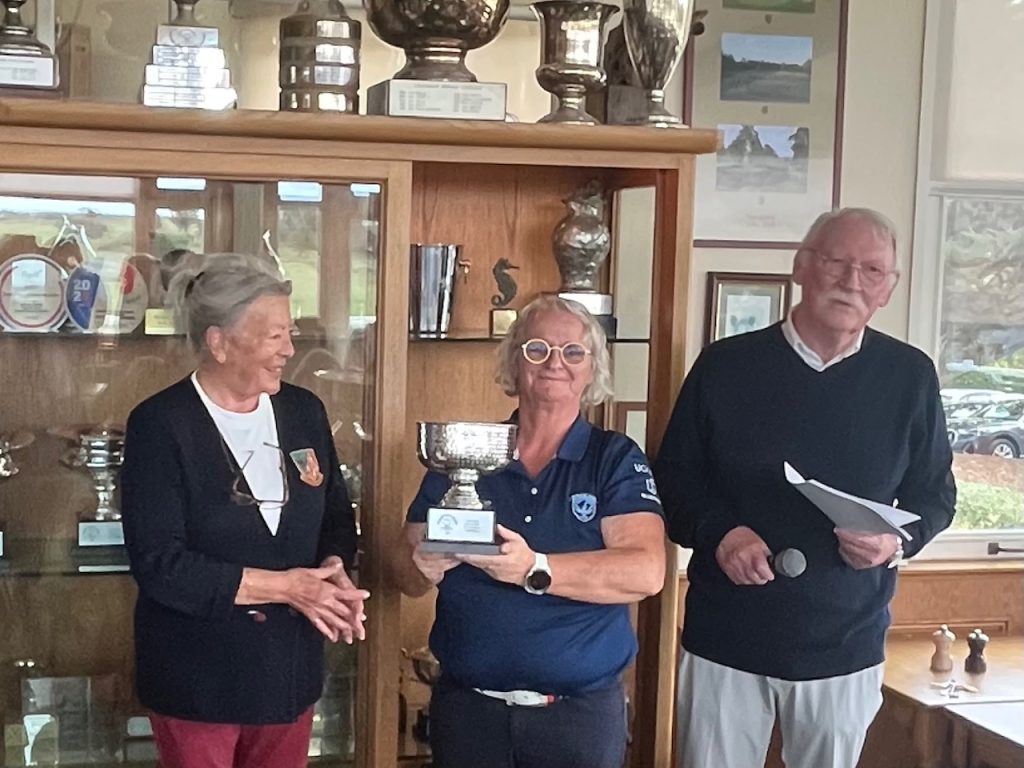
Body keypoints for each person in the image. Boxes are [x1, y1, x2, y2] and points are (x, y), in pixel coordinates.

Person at [655, 208, 957, 768]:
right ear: (801, 267)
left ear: (888, 289)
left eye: (872, 270)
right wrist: (721, 534)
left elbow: (935, 497)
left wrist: (895, 542)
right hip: (727, 637)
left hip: (845, 642)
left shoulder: (910, 376)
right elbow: (671, 481)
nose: (851, 281)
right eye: (837, 262)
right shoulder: (724, 366)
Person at [391, 295, 666, 768]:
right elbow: (401, 569)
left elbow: (646, 571)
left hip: (577, 719)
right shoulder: (465, 453)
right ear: (514, 363)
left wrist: (535, 568)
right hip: (469, 712)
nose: (555, 363)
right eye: (537, 349)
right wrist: (421, 567)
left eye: (573, 352)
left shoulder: (614, 458)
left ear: (592, 369)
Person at [121, 254, 368, 768]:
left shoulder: (304, 411)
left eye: (290, 334)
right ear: (219, 342)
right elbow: (161, 565)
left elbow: (336, 520)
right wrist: (288, 588)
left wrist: (332, 571)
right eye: (275, 336)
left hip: (289, 675)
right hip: (197, 682)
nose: (290, 350)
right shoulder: (160, 424)